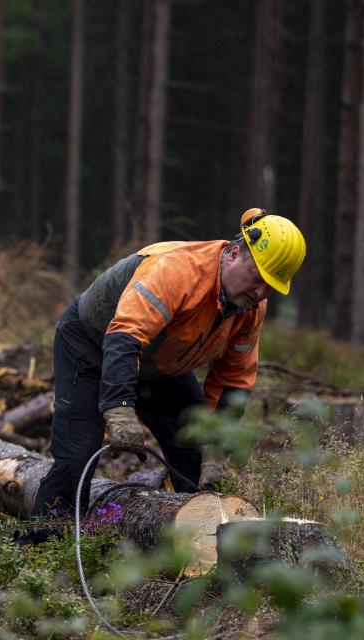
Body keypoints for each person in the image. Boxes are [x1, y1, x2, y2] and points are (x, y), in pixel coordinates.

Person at [30, 208, 306, 520]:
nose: (259, 292)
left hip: (161, 363)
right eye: (257, 278)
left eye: (270, 286)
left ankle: (192, 538)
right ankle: (44, 536)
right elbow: (125, 335)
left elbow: (235, 379)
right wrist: (119, 407)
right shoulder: (178, 270)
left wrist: (216, 446)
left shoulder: (251, 308)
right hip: (91, 344)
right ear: (233, 254)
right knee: (78, 453)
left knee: (194, 450)